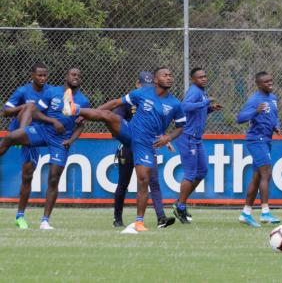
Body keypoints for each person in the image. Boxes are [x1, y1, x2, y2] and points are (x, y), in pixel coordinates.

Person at [64, 67, 185, 232]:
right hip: (130, 132)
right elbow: (115, 103)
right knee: (108, 116)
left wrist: (168, 137)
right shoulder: (142, 93)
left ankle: (139, 222)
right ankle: (73, 109)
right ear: (156, 80)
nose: (169, 78)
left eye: (171, 75)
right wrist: (85, 114)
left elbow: (180, 127)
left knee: (143, 180)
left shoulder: (175, 104)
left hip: (146, 144)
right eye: (165, 75)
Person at [0, 67, 89, 229]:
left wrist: (71, 139)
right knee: (11, 136)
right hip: (41, 131)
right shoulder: (46, 92)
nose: (76, 77)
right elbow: (31, 111)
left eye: (78, 75)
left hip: (60, 141)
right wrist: (52, 121)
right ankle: (21, 135)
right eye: (72, 74)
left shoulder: (82, 101)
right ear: (66, 76)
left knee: (48, 178)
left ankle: (44, 221)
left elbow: (81, 125)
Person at [112, 71, 176, 229]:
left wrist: (164, 137)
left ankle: (161, 218)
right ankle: (117, 218)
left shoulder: (154, 100)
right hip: (128, 146)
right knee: (123, 183)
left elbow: (156, 122)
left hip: (146, 146)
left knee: (153, 181)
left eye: (150, 86)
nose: (147, 88)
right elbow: (116, 118)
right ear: (137, 84)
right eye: (144, 85)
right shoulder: (129, 100)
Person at [3, 63, 50, 229]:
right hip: (18, 129)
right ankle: (18, 136)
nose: (42, 78)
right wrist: (23, 106)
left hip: (35, 133)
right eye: (39, 75)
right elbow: (6, 111)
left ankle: (20, 216)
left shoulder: (50, 92)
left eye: (45, 75)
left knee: (27, 175)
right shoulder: (23, 91)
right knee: (29, 107)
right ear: (32, 76)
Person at [172, 67, 222, 224]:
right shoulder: (195, 91)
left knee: (202, 171)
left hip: (196, 139)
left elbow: (196, 111)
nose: (204, 79)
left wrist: (209, 109)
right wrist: (205, 102)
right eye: (200, 77)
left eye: (205, 76)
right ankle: (180, 207)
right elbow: (184, 106)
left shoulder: (201, 92)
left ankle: (180, 202)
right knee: (191, 173)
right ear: (193, 80)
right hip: (187, 137)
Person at [237, 71, 281, 227]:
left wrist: (276, 126)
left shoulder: (273, 98)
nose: (270, 83)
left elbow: (275, 116)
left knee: (257, 177)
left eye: (270, 80)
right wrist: (256, 111)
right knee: (266, 173)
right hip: (256, 140)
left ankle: (246, 213)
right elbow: (240, 118)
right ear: (259, 84)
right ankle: (265, 212)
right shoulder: (255, 100)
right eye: (266, 82)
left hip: (267, 140)